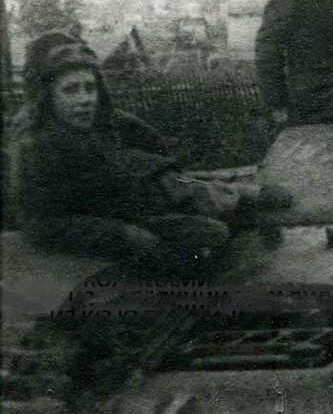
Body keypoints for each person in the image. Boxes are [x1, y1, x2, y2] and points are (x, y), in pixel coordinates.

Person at [7, 31, 290, 275]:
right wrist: (125, 235)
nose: (85, 99)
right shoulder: (36, 147)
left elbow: (157, 161)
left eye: (90, 88)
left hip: (148, 197)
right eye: (71, 90)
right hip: (117, 222)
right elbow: (41, 224)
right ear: (48, 97)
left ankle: (231, 192)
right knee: (210, 237)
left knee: (240, 212)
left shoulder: (106, 122)